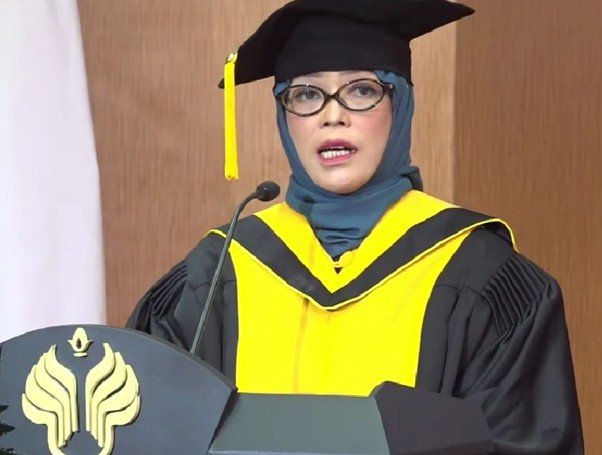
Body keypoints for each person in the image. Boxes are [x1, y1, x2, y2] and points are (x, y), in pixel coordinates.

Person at [127, 0, 583, 452]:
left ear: (400, 104)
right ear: (284, 118)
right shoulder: (217, 274)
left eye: (361, 91)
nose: (332, 115)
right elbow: (147, 432)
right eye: (306, 95)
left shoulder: (481, 274)